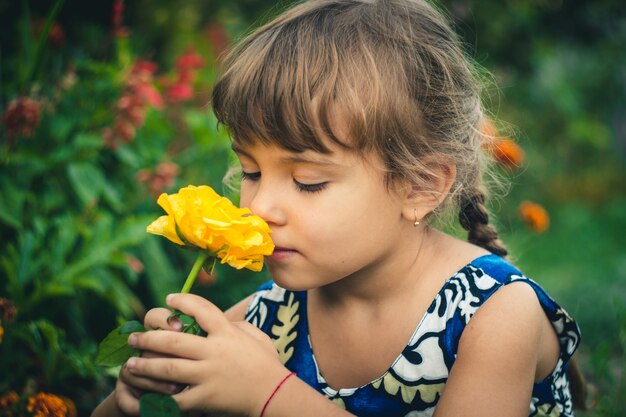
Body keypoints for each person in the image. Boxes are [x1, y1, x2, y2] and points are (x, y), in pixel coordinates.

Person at [92, 0, 588, 416]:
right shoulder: (273, 315)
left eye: (307, 182)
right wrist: (140, 389)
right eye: (250, 171)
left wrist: (268, 395)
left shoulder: (496, 316)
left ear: (419, 186)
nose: (260, 206)